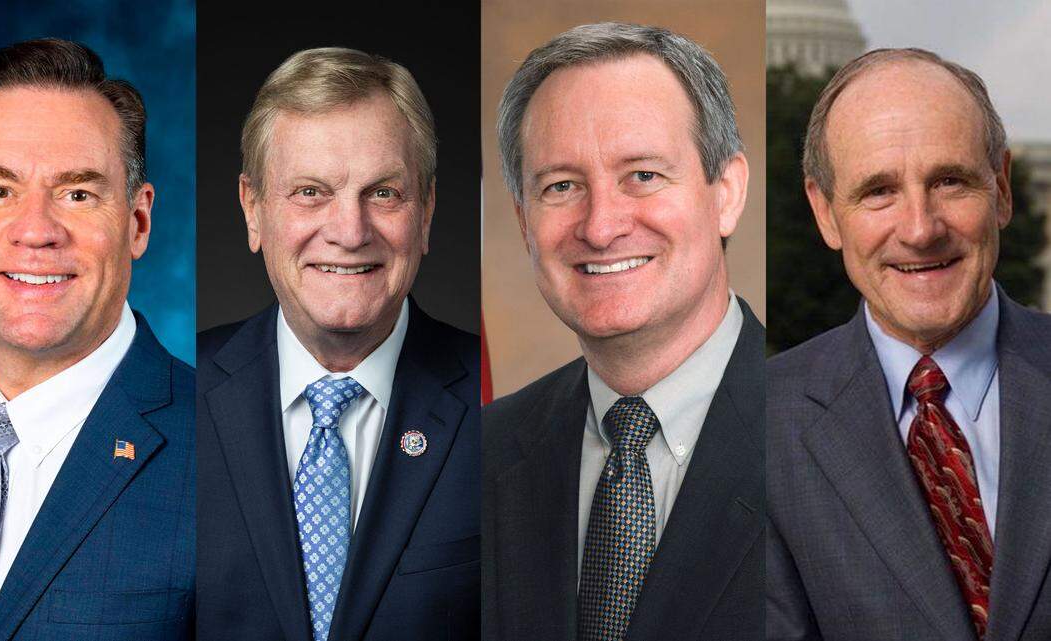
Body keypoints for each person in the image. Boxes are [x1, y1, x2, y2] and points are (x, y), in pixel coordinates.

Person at [483, 22, 764, 641]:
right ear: (524, 221)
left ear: (728, 192)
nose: (602, 226)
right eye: (561, 186)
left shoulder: (817, 431)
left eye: (643, 175)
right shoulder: (481, 453)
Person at [0, 39, 194, 640]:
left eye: (77, 193)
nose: (36, 231)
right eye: (0, 190)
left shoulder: (227, 446)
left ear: (137, 222)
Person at [195, 47, 480, 641]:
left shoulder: (498, 404)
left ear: (425, 211)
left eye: (383, 193)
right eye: (310, 192)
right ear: (253, 209)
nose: (350, 232)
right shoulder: (176, 394)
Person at [768, 48, 1051, 641]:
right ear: (825, 213)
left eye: (950, 181)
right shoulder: (757, 425)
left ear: (1001, 188)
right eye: (878, 191)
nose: (921, 229)